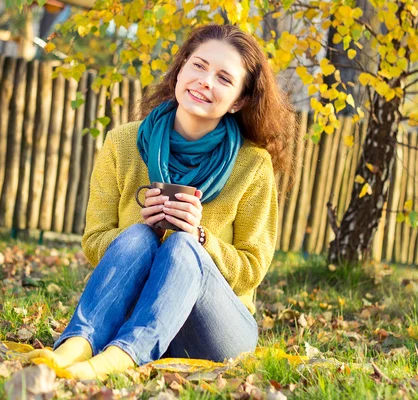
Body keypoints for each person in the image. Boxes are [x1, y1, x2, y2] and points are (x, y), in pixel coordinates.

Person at [27, 24, 297, 381]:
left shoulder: (253, 165)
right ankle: (76, 345)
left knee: (184, 245)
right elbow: (94, 243)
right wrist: (143, 230)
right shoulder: (122, 144)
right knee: (138, 237)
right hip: (135, 311)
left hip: (213, 332)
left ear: (239, 101)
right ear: (181, 69)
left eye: (224, 79)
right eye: (198, 66)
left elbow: (252, 268)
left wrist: (202, 240)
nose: (205, 81)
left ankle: (121, 357)